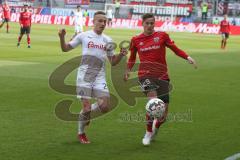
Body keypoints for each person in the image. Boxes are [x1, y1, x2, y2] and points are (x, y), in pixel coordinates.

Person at [124, 13, 197, 146]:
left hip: (162, 76)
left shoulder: (162, 36)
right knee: (153, 102)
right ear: (143, 24)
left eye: (152, 23)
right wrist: (128, 70)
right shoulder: (136, 40)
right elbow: (132, 58)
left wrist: (188, 57)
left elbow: (175, 49)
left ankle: (155, 128)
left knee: (163, 115)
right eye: (147, 23)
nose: (150, 26)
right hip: (145, 75)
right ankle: (147, 132)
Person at [58, 11, 128, 144]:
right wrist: (62, 37)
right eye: (100, 21)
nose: (102, 24)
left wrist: (121, 55)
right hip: (84, 76)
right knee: (86, 107)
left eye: (105, 21)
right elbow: (65, 49)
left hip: (99, 76)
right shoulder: (84, 36)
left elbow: (113, 61)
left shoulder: (108, 40)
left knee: (105, 107)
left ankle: (86, 113)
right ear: (93, 22)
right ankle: (81, 133)